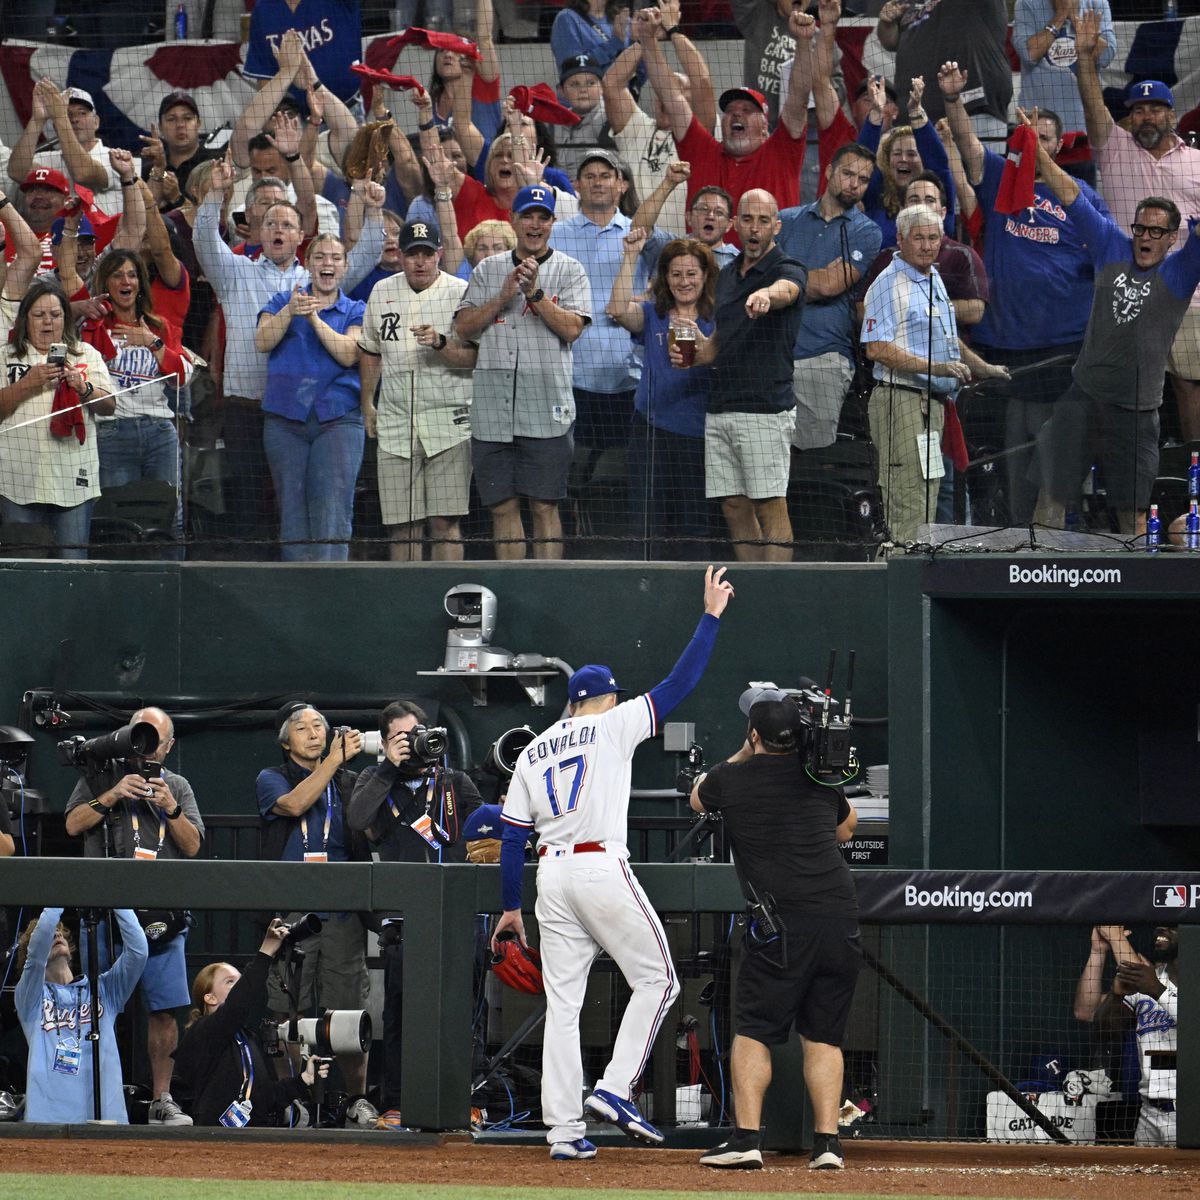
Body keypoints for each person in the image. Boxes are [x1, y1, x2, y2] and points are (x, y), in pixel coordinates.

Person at [493, 565, 735, 1160]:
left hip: (550, 876)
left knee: (564, 1006)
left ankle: (563, 1132)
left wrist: (507, 906)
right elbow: (679, 684)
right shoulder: (612, 724)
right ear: (604, 699)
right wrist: (710, 617)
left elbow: (509, 838)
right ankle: (616, 1088)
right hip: (599, 866)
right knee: (658, 979)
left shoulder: (532, 751)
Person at [690, 689, 859, 1171]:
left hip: (782, 924)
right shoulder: (817, 778)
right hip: (839, 918)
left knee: (755, 1032)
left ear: (755, 733)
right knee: (824, 1036)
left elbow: (697, 798)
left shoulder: (731, 778)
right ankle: (828, 1145)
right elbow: (847, 829)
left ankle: (746, 1138)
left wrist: (746, 752)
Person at [939, 64, 1108, 526]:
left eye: (1044, 136)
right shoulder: (999, 179)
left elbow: (1105, 257)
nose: (1034, 141)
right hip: (1005, 357)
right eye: (1026, 135)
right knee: (1013, 471)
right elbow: (971, 150)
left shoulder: (1082, 196)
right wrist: (954, 101)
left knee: (1059, 470)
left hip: (1064, 355)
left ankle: (1061, 550)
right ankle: (1011, 552)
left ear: (1058, 146)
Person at [1022, 113, 1200, 536]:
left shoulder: (1180, 271)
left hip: (1137, 412)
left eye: (1158, 231)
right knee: (1050, 493)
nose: (1147, 237)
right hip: (1082, 397)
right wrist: (1036, 149)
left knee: (1133, 513)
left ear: (1173, 237)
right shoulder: (1109, 245)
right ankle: (1034, 573)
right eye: (1142, 227)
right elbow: (1070, 195)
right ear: (1132, 227)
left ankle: (1135, 593)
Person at [195, 156, 383, 551]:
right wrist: (214, 194)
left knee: (305, 505)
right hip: (248, 407)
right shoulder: (234, 272)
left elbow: (366, 253)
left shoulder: (315, 275)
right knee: (252, 509)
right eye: (270, 223)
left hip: (309, 410)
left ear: (301, 236)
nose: (277, 229)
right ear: (257, 232)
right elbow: (202, 241)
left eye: (287, 224)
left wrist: (372, 208)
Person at [63, 705, 204, 1125]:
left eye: (154, 738)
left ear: (169, 744)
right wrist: (110, 796)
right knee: (96, 1006)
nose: (145, 748)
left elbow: (194, 846)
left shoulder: (178, 784)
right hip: (104, 917)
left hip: (163, 917)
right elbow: (72, 824)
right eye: (139, 735)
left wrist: (172, 809)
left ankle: (162, 1098)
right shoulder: (103, 773)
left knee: (164, 1011)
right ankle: (93, 1093)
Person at [346, 700, 481, 1121]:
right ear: (385, 742)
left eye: (418, 732)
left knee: (464, 1008)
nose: (414, 742)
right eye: (402, 737)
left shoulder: (455, 781)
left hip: (459, 912)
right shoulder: (374, 777)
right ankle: (396, 1102)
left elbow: (481, 832)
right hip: (403, 917)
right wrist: (389, 767)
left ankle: (467, 1100)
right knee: (401, 1012)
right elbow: (357, 818)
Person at [1074, 10, 1200, 442]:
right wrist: (1086, 61)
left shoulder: (1197, 163)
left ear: (1172, 114)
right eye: (1138, 110)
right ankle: (1119, 479)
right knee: (1117, 391)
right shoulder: (1114, 150)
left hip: (1188, 295)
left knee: (1189, 387)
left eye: (1155, 109)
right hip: (1126, 291)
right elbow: (1093, 107)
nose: (1146, 117)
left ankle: (1190, 474)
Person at [255, 702, 378, 1126]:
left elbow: (371, 826)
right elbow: (292, 806)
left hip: (342, 913)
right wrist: (332, 762)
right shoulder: (272, 778)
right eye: (302, 728)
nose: (313, 733)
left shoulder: (348, 781)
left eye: (319, 726)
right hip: (292, 912)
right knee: (289, 1013)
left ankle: (355, 1100)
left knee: (347, 1013)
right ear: (285, 740)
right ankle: (295, 1098)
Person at [453, 184, 590, 560]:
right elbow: (463, 329)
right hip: (492, 412)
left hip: (546, 411)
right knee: (502, 507)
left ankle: (546, 593)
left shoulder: (569, 270)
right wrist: (502, 295)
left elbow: (572, 330)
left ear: (552, 223)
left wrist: (535, 294)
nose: (534, 224)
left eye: (542, 217)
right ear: (512, 219)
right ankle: (512, 592)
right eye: (527, 215)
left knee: (545, 507)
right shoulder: (488, 269)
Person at [861, 205, 1007, 547]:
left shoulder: (932, 277)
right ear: (900, 239)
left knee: (928, 494)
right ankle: (899, 581)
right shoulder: (887, 284)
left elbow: (946, 335)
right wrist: (936, 368)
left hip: (933, 406)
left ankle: (922, 580)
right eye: (918, 238)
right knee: (906, 498)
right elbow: (876, 349)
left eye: (933, 238)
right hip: (901, 402)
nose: (927, 246)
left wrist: (981, 366)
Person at [672, 189, 805, 563]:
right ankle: (751, 585)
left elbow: (788, 291)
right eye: (747, 219)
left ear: (776, 226)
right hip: (721, 408)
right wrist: (697, 350)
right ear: (735, 224)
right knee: (733, 504)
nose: (755, 228)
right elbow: (718, 344)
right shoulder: (726, 276)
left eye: (764, 220)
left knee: (769, 503)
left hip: (764, 409)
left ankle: (777, 590)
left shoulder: (786, 268)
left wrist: (767, 295)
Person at [359, 220, 476, 562]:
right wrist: (367, 403)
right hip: (396, 421)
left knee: (444, 521)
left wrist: (441, 344)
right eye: (413, 255)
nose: (420, 262)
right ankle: (407, 605)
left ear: (439, 254)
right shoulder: (382, 291)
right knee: (403, 525)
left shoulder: (460, 292)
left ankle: (448, 598)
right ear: (400, 256)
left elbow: (474, 358)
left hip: (449, 423)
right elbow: (369, 349)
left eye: (427, 254)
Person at [638, 5, 810, 219]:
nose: (737, 114)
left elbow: (799, 97)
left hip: (771, 253)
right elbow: (671, 97)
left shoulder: (782, 151)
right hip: (707, 253)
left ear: (765, 126)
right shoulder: (702, 152)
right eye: (730, 110)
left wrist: (803, 41)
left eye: (747, 110)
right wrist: (647, 39)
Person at [607, 228, 717, 557]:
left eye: (691, 274)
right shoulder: (653, 313)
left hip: (697, 434)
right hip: (650, 430)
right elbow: (616, 308)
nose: (684, 281)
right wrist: (630, 256)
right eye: (676, 274)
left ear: (705, 276)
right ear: (665, 278)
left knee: (694, 521)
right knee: (646, 519)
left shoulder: (718, 319)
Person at [255, 234, 365, 561]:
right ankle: (296, 593)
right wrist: (291, 311)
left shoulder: (355, 309)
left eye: (335, 258)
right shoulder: (280, 302)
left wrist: (313, 317)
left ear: (344, 268)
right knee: (291, 507)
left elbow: (349, 353)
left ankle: (329, 592)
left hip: (338, 421)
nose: (327, 263)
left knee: (332, 507)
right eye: (319, 257)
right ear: (308, 265)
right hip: (285, 422)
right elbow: (262, 341)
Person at [552, 148, 666, 462]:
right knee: (570, 477)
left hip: (628, 376)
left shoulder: (641, 236)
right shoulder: (554, 236)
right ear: (576, 184)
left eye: (606, 176)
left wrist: (652, 295)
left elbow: (678, 276)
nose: (598, 182)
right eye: (589, 176)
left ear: (622, 185)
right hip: (569, 378)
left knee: (620, 475)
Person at [171, 919, 332, 1127]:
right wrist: (266, 951)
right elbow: (238, 1004)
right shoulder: (202, 1032)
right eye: (230, 982)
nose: (239, 987)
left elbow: (264, 1098)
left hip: (253, 1142)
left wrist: (303, 1081)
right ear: (209, 997)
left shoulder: (248, 1039)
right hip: (215, 1143)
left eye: (240, 981)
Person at [0, 280, 116, 558]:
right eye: (39, 315)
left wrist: (82, 387)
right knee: (23, 570)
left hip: (73, 479)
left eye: (55, 315)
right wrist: (28, 383)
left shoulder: (85, 354)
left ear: (66, 317)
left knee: (72, 569)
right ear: (25, 319)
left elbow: (110, 405)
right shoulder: (5, 356)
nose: (47, 322)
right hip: (18, 480)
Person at [778, 143, 882, 453]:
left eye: (863, 180)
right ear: (828, 171)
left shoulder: (867, 232)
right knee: (766, 458)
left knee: (812, 461)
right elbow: (758, 277)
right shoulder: (785, 219)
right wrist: (814, 276)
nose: (854, 184)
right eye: (848, 174)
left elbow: (829, 287)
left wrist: (783, 281)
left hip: (824, 358)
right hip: (774, 355)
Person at [15, 908, 148, 1124]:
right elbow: (37, 953)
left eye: (60, 932)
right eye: (51, 933)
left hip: (105, 1115)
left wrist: (117, 902)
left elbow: (138, 952)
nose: (57, 935)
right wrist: (62, 894)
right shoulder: (30, 997)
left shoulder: (102, 989)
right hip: (48, 1120)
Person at [602, 4, 716, 239]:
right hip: (633, 242)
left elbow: (702, 80)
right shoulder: (637, 127)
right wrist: (646, 37)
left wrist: (673, 30)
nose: (668, 93)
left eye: (679, 88)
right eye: (664, 86)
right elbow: (611, 83)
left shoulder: (700, 133)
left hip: (684, 248)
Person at [1075, 925, 1178, 1147]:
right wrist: (1099, 951)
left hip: (1188, 1114)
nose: (1162, 928)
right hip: (1149, 1113)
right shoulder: (1151, 977)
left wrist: (1115, 936)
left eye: (1174, 925)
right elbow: (1086, 1011)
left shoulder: (1161, 982)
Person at [876, 0, 1011, 138]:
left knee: (976, 159)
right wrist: (887, 23)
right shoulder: (915, 4)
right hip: (915, 115)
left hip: (971, 109)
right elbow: (890, 42)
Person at [6, 81, 122, 215]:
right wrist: (37, 119)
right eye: (68, 114)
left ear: (96, 122)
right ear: (55, 126)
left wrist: (60, 116)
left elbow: (83, 174)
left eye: (82, 113)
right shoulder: (49, 158)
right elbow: (16, 172)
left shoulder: (117, 157)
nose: (74, 119)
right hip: (59, 234)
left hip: (100, 234)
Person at [1013, 0, 1116, 143]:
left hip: (1084, 124)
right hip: (1038, 126)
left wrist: (1075, 18)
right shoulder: (1027, 3)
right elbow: (1029, 54)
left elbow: (1106, 56)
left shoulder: (1097, 3)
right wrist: (1061, 16)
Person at [633, 166, 736, 271]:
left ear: (729, 225)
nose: (710, 216)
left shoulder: (738, 262)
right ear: (689, 217)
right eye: (703, 209)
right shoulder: (669, 246)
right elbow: (638, 229)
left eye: (719, 212)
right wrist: (668, 183)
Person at [551, 0, 631, 75]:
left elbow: (637, 75)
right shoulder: (567, 18)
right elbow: (573, 68)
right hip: (590, 89)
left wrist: (639, 42)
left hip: (624, 89)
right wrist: (614, 43)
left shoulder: (622, 18)